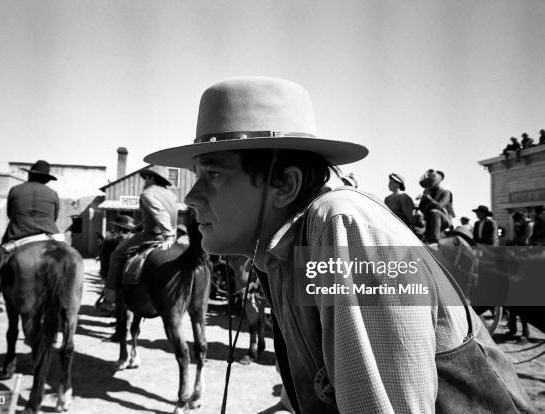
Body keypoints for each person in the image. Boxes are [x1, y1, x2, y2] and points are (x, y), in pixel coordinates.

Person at [143, 77, 533, 413]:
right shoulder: (281, 255)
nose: (191, 197)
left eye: (212, 173)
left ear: (285, 184)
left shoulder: (342, 227)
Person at [102, 164, 178, 338]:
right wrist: (136, 227)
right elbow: (154, 216)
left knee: (116, 255)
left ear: (152, 178)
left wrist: (168, 235)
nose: (144, 181)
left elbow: (160, 214)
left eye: (146, 178)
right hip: (161, 233)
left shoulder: (147, 193)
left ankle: (110, 298)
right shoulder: (171, 195)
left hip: (154, 237)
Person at [0, 160, 60, 313]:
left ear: (30, 175)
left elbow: (10, 214)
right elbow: (54, 218)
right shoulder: (53, 194)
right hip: (48, 236)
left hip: (19, 236)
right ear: (47, 179)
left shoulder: (15, 190)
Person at [417, 169, 455, 244]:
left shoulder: (446, 192)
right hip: (429, 221)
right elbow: (421, 209)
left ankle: (434, 241)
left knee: (434, 212)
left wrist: (429, 199)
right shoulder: (427, 192)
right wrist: (422, 200)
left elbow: (440, 206)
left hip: (444, 220)